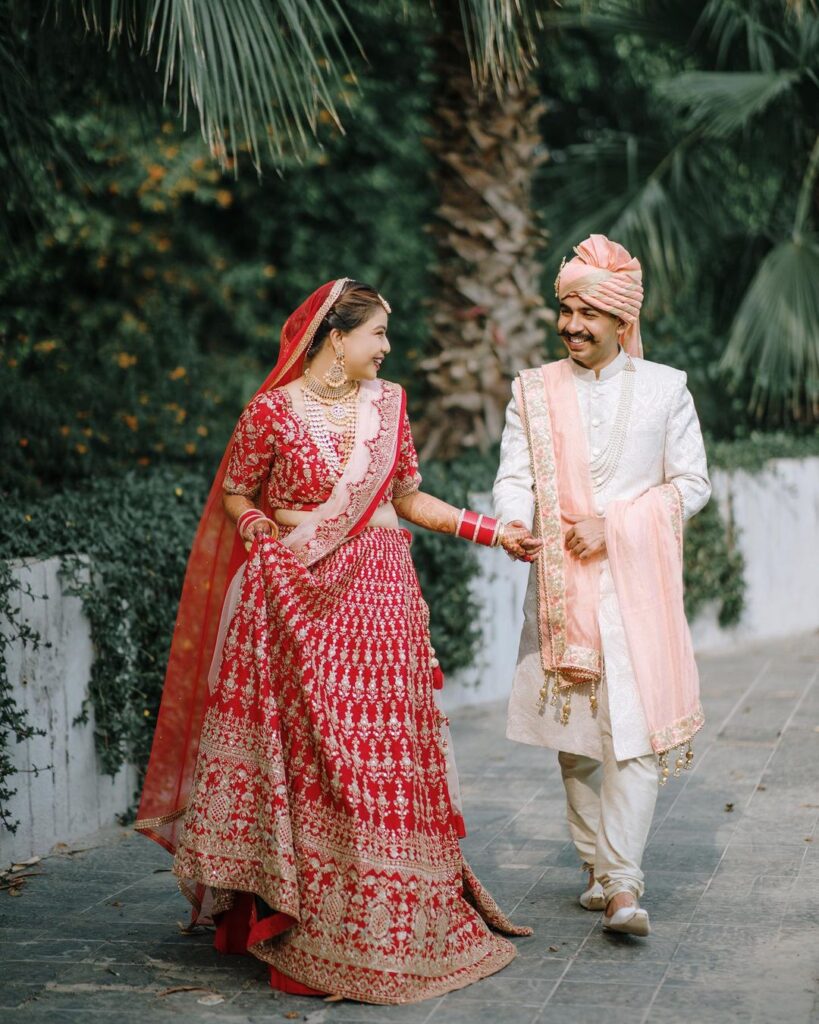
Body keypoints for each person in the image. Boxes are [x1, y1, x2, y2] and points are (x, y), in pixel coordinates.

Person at [135, 278, 537, 1004]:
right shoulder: (268, 413)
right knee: (316, 753)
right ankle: (305, 917)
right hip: (295, 598)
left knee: (377, 754)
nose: (386, 348)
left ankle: (385, 914)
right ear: (334, 338)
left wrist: (494, 531)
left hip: (379, 602)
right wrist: (261, 533)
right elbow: (236, 491)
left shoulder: (388, 408)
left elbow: (408, 497)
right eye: (377, 333)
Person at [492, 236, 711, 937]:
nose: (572, 325)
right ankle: (594, 868)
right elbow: (515, 474)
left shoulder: (664, 388)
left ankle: (622, 883)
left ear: (623, 321)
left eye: (589, 313)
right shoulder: (532, 390)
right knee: (580, 738)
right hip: (562, 590)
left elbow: (692, 484)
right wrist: (511, 520)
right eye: (565, 309)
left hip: (635, 587)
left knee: (638, 736)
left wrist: (615, 523)